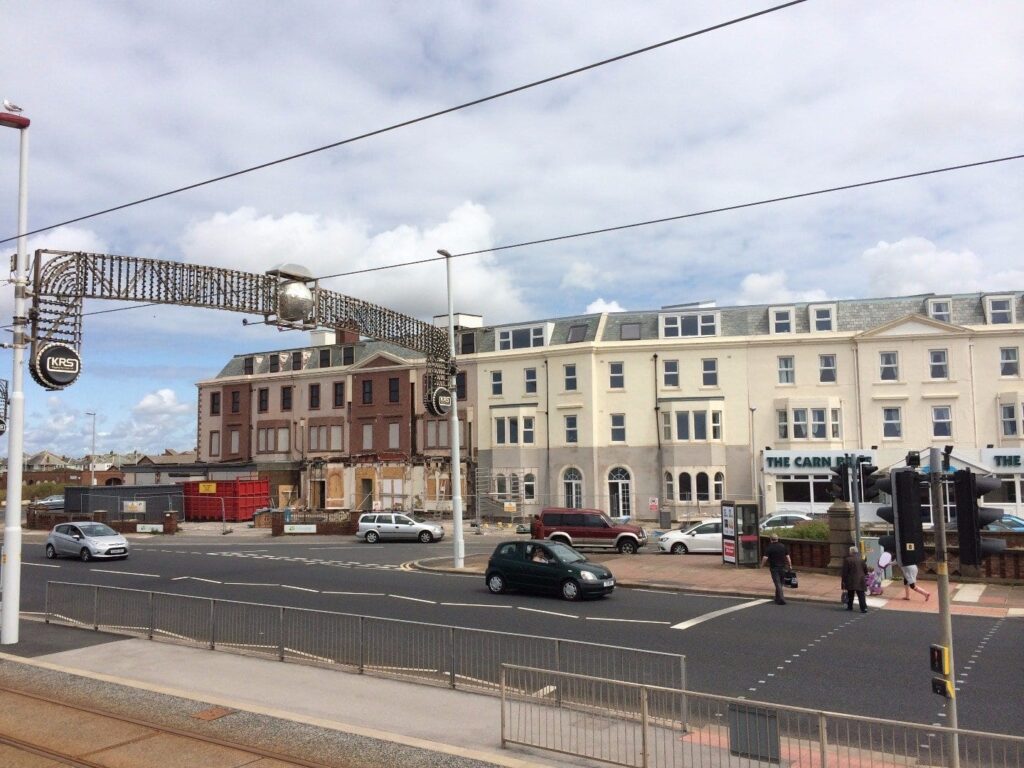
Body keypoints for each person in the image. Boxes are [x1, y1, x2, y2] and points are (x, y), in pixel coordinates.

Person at [760, 533, 791, 605]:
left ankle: (781, 599)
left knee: (777, 583)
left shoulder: (769, 547)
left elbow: (765, 558)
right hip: (783, 567)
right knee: (781, 583)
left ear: (771, 539)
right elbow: (788, 557)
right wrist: (790, 565)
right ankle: (777, 598)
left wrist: (762, 565)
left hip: (774, 568)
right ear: (777, 539)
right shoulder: (783, 546)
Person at [841, 545, 869, 613]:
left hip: (850, 579)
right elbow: (865, 570)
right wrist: (865, 575)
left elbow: (845, 571)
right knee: (861, 595)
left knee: (850, 593)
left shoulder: (847, 560)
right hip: (860, 579)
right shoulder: (861, 560)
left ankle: (850, 606)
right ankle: (864, 608)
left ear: (851, 552)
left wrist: (843, 581)